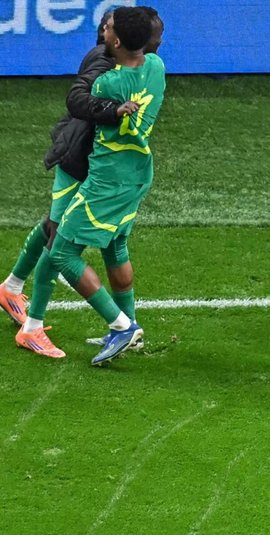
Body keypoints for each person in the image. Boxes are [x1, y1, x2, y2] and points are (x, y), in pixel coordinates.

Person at [6, 9, 150, 358]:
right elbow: (77, 99)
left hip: (97, 167)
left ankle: (11, 288)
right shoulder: (102, 62)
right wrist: (112, 110)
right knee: (58, 237)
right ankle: (32, 328)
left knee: (56, 228)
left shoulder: (139, 65)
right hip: (77, 162)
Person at [38, 7, 163, 366]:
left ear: (117, 40)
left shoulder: (107, 83)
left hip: (106, 181)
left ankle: (121, 326)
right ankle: (131, 322)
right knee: (115, 244)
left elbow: (80, 101)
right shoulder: (157, 69)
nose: (103, 29)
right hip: (138, 174)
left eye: (108, 28)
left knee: (62, 253)